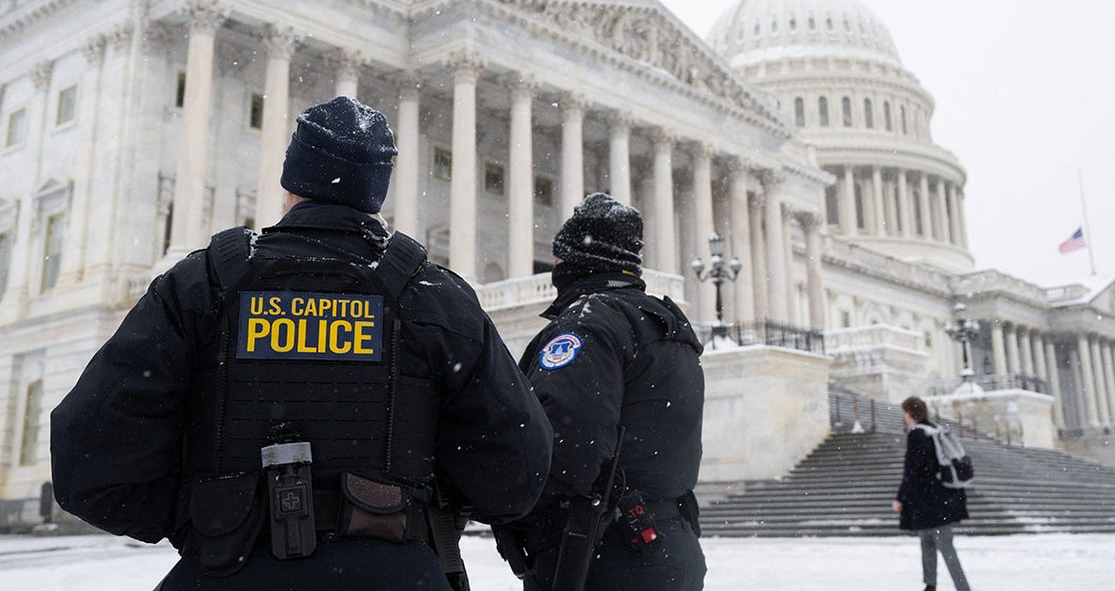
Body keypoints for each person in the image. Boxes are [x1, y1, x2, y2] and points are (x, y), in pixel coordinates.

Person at [50, 96, 553, 590]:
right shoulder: (434, 297)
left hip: (226, 568)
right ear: (374, 194)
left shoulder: (199, 286)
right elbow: (518, 471)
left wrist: (211, 514)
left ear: (291, 185)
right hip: (395, 569)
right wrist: (414, 504)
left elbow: (88, 462)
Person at [498, 192, 707, 591]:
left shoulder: (591, 324)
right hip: (666, 542)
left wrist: (510, 506)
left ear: (576, 261)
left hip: (600, 550)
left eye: (559, 259)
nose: (554, 268)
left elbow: (564, 448)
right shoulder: (667, 327)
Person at [892, 395, 971, 591]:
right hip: (941, 497)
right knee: (927, 539)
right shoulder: (934, 430)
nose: (904, 417)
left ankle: (963, 588)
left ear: (910, 414)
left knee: (943, 544)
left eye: (905, 413)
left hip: (929, 500)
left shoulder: (917, 435)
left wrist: (900, 497)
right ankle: (930, 585)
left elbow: (911, 470)